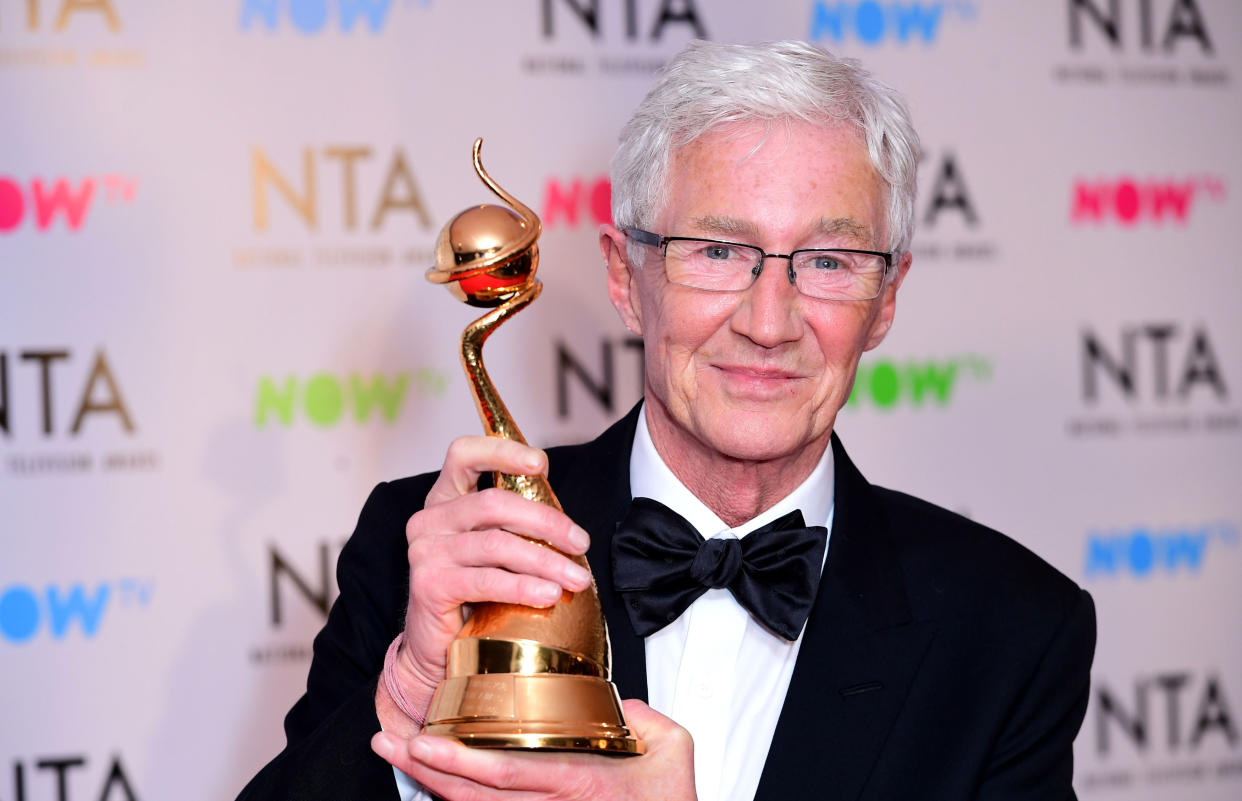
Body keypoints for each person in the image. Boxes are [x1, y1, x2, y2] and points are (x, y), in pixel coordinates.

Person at [238, 40, 1096, 801]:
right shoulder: (427, 550)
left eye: (829, 260)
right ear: (624, 276)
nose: (769, 320)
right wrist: (412, 686)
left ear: (886, 301)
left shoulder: (1010, 630)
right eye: (718, 251)